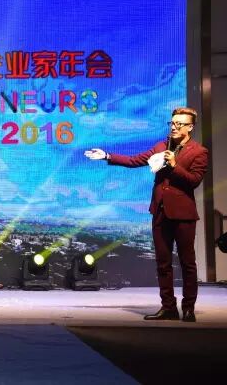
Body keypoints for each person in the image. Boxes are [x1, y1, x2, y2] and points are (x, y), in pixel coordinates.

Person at [85, 107, 208, 322]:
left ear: (190, 127)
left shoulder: (199, 151)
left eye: (179, 124)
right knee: (163, 263)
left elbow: (194, 181)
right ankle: (168, 307)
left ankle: (188, 308)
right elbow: (135, 160)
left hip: (183, 214)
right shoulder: (161, 146)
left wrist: (174, 165)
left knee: (188, 263)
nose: (174, 127)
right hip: (160, 211)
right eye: (172, 123)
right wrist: (107, 156)